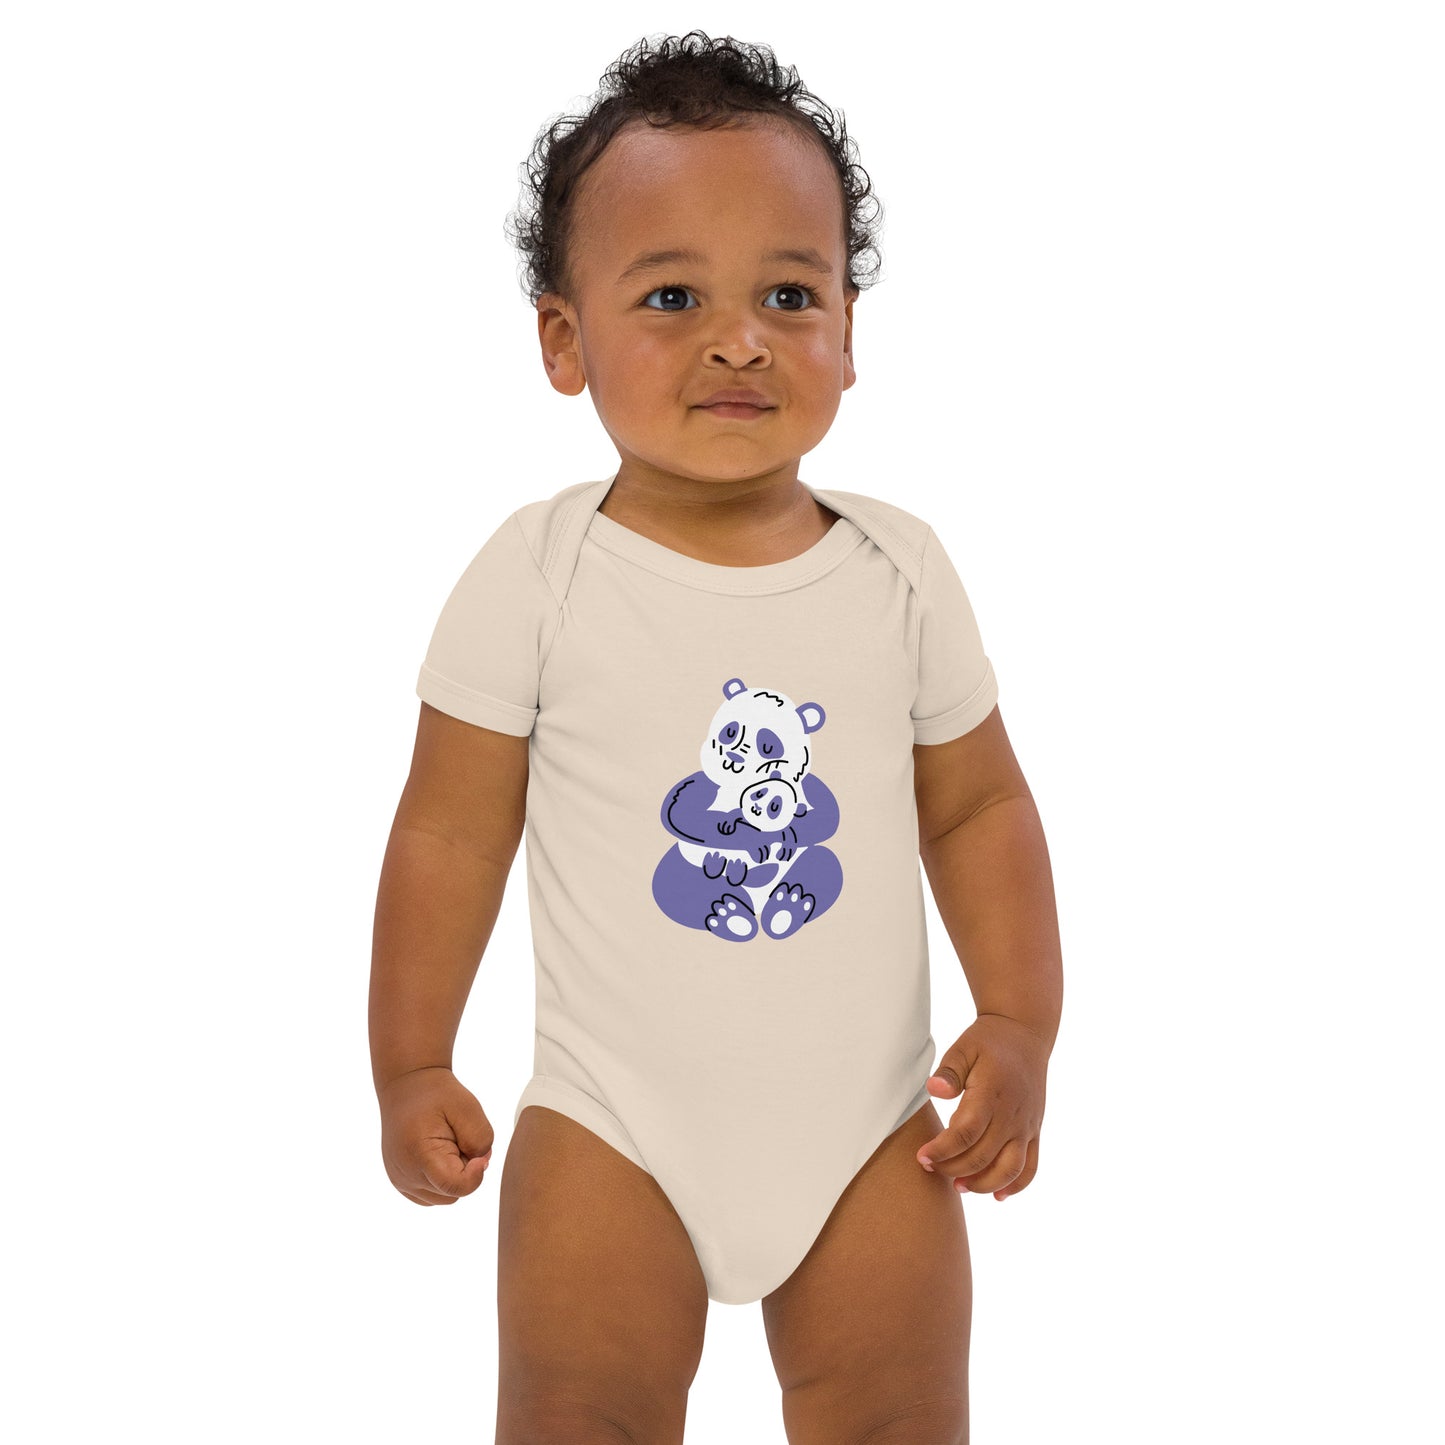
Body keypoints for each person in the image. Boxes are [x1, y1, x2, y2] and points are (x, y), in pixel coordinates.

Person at [370, 30, 1062, 1445]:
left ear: (850, 336)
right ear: (564, 340)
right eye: (672, 295)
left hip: (872, 1133)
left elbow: (977, 808)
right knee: (578, 1414)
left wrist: (1019, 1020)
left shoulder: (899, 570)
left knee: (899, 1417)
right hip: (610, 1129)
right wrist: (409, 1060)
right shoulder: (538, 574)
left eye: (789, 295)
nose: (739, 338)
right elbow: (447, 829)